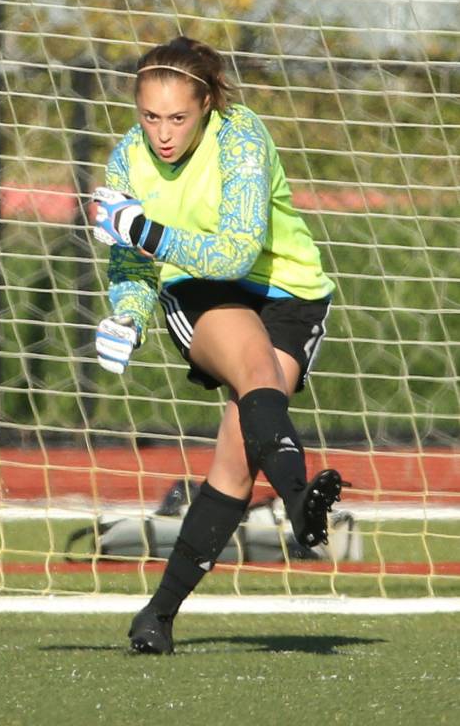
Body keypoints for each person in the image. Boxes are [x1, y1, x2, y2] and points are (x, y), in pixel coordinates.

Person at [92, 35, 346, 655]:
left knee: (237, 455)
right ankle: (299, 504)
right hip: (201, 290)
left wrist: (145, 228)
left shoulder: (241, 136)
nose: (163, 134)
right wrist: (128, 318)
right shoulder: (127, 160)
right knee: (253, 364)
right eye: (150, 117)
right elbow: (133, 262)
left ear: (206, 104)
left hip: (288, 289)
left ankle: (157, 615)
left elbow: (235, 247)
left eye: (177, 117)